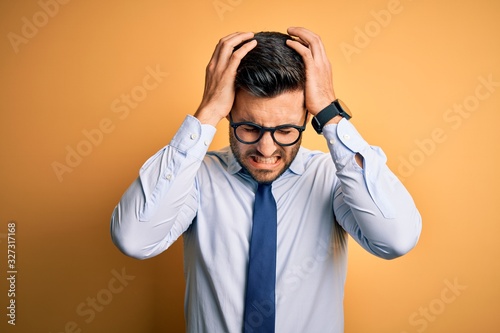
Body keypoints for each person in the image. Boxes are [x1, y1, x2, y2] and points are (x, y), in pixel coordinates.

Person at [110, 27, 422, 333]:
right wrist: (205, 113)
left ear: (306, 119)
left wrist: (330, 112)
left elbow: (396, 239)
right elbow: (134, 239)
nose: (266, 148)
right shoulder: (197, 176)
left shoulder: (333, 177)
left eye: (286, 130)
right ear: (229, 115)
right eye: (249, 127)